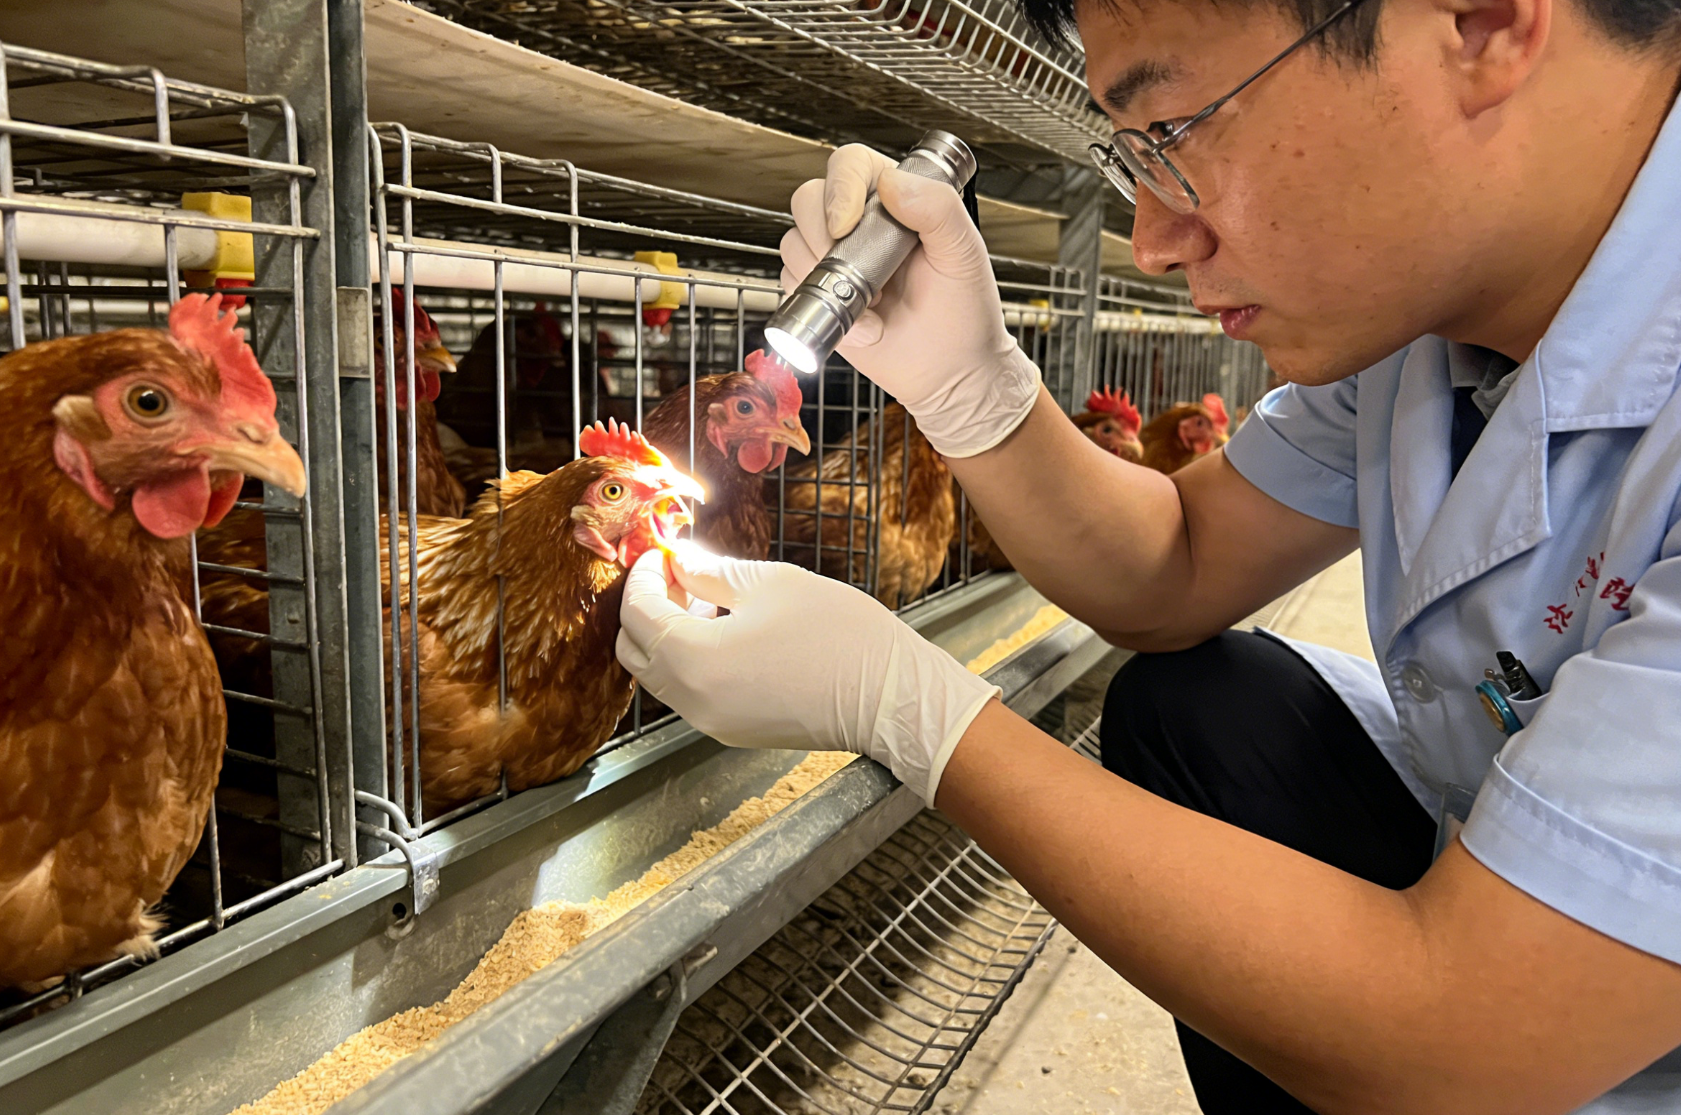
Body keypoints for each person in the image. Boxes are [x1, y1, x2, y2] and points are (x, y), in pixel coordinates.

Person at [615, 0, 1681, 1108]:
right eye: (1129, 161)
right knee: (1206, 707)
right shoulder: (1424, 320)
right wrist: (971, 390)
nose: (1154, 241)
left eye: (1173, 134)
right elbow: (1176, 561)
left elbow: (1463, 1037)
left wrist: (908, 707)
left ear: (1480, 24)